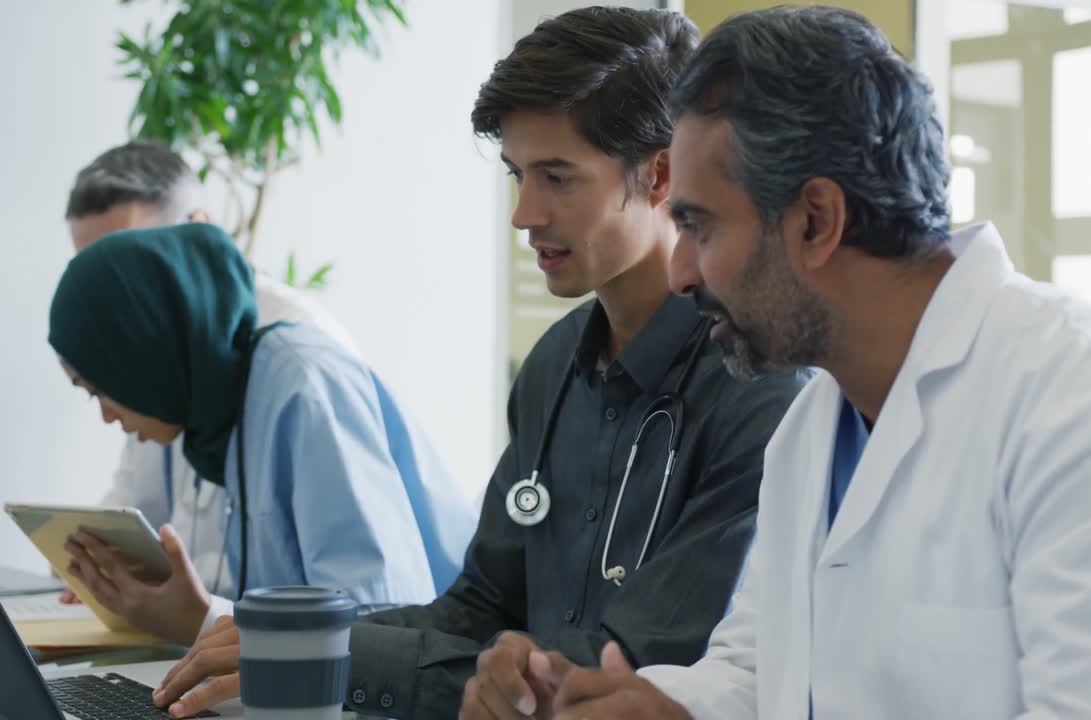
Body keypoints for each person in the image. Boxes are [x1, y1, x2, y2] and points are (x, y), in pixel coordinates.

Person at [528, 6, 1091, 718]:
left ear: (817, 220)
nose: (682, 272)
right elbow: (764, 672)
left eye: (697, 226)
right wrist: (661, 706)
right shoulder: (815, 427)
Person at [150, 7, 806, 719]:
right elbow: (479, 609)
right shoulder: (555, 367)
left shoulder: (757, 381)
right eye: (517, 175)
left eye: (556, 177)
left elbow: (632, 665)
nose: (523, 214)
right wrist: (298, 641)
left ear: (659, 176)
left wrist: (336, 658)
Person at [49, 223, 477, 652]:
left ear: (142, 351)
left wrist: (199, 620)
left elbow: (382, 626)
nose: (106, 415)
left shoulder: (305, 386)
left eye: (100, 389)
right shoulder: (211, 419)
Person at [60, 141, 363, 606]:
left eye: (129, 259)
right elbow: (136, 509)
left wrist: (200, 620)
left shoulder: (303, 365)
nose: (111, 297)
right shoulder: (160, 380)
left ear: (197, 231)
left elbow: (358, 607)